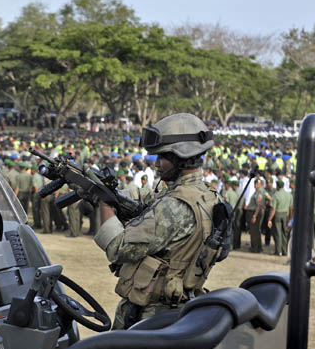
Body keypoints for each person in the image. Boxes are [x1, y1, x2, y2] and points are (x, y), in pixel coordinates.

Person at [94, 113, 221, 329]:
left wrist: (104, 203)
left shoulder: (175, 205)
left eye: (162, 157)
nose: (157, 164)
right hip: (177, 309)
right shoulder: (206, 194)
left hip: (150, 316)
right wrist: (108, 191)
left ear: (181, 158)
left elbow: (118, 248)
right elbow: (148, 197)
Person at [267, 179, 292, 256]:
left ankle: (278, 251)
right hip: (285, 214)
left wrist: (269, 219)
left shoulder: (276, 195)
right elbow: (291, 208)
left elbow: (273, 209)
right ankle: (284, 251)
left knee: (278, 233)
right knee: (284, 233)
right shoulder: (289, 195)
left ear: (277, 186)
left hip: (278, 214)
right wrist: (290, 218)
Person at [246, 178, 266, 253]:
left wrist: (254, 216)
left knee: (254, 231)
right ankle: (258, 247)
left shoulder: (259, 192)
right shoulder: (258, 191)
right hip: (255, 212)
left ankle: (254, 248)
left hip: (255, 212)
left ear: (261, 184)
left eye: (257, 183)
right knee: (256, 231)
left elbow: (259, 205)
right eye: (255, 183)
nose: (255, 185)